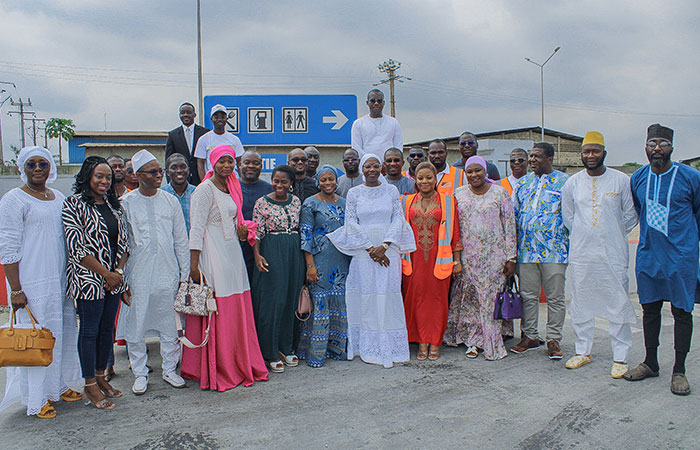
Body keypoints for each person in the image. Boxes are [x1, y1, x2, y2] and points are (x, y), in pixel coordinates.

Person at [0, 146, 81, 418]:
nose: (37, 169)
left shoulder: (58, 197)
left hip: (59, 279)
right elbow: (8, 247)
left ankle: (57, 387)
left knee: (59, 336)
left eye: (43, 164)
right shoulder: (14, 200)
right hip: (32, 282)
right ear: (23, 168)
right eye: (31, 164)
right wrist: (16, 289)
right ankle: (36, 400)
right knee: (34, 341)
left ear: (50, 168)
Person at [181, 145, 268, 391]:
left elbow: (234, 223)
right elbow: (196, 229)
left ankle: (240, 362)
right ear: (212, 163)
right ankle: (222, 367)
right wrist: (194, 266)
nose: (227, 166)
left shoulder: (232, 187)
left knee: (237, 305)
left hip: (232, 254)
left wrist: (242, 231)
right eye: (222, 162)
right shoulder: (204, 190)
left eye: (230, 162)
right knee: (218, 307)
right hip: (212, 253)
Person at [625, 124, 700, 396]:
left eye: (663, 143)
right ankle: (650, 362)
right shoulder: (639, 177)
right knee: (650, 310)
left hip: (680, 257)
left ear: (672, 147)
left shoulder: (690, 177)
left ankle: (679, 370)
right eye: (652, 143)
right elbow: (637, 208)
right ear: (645, 147)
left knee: (682, 311)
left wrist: (688, 244)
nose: (657, 148)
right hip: (649, 255)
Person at [327, 153, 416, 368]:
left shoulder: (391, 191)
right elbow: (351, 222)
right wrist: (369, 247)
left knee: (388, 293)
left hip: (389, 250)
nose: (372, 169)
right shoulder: (355, 193)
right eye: (368, 166)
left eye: (376, 165)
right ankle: (364, 346)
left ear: (381, 168)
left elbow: (398, 218)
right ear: (362, 169)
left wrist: (384, 245)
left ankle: (390, 346)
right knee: (365, 295)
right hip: (362, 251)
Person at [561, 132, 638, 378]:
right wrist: (589, 235)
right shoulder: (572, 183)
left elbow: (630, 215)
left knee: (617, 302)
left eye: (595, 151)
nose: (590, 156)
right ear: (581, 155)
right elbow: (568, 217)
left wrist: (609, 233)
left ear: (604, 153)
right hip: (582, 254)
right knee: (581, 301)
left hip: (613, 253)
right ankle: (583, 350)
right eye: (586, 152)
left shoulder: (621, 180)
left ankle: (621, 357)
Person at [116, 150, 190, 395]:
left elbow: (181, 240)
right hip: (137, 275)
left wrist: (184, 275)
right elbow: (121, 245)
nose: (160, 175)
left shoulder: (170, 201)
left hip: (168, 273)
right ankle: (139, 373)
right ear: (138, 176)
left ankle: (170, 369)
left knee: (171, 325)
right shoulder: (124, 204)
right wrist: (123, 278)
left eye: (160, 171)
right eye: (154, 171)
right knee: (135, 325)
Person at [62, 156, 130, 410]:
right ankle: (89, 383)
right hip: (89, 280)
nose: (104, 181)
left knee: (106, 331)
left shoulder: (114, 206)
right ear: (88, 177)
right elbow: (77, 248)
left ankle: (102, 376)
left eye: (108, 177)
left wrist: (118, 272)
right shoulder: (74, 205)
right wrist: (106, 274)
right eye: (99, 176)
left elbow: (125, 243)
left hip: (114, 279)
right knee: (89, 332)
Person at [444, 156, 516, 360]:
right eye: (470, 171)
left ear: (486, 172)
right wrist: (456, 257)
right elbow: (454, 227)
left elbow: (510, 226)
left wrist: (511, 258)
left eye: (478, 171)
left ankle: (492, 341)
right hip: (469, 257)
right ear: (465, 174)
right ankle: (473, 341)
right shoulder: (458, 194)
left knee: (490, 299)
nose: (474, 175)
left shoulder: (500, 193)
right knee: (471, 300)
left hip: (495, 257)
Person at [510, 142, 569, 359]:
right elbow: (514, 216)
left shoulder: (565, 182)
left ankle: (553, 339)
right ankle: (530, 336)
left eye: (537, 156)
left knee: (555, 297)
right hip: (526, 251)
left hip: (554, 250)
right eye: (531, 156)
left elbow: (571, 216)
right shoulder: (523, 183)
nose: (532, 160)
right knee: (528, 295)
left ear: (550, 159)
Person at [401, 162, 462, 361]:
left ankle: (435, 341)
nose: (425, 181)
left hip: (439, 260)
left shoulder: (448, 201)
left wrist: (457, 261)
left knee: (437, 303)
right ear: (415, 180)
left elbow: (456, 234)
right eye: (421, 178)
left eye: (429, 177)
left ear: (436, 179)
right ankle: (421, 341)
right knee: (415, 301)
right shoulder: (406, 201)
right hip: (414, 260)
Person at [251, 165, 305, 373]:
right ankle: (270, 351)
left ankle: (285, 347)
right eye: (276, 181)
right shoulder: (262, 203)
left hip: (293, 252)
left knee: (290, 300)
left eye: (284, 181)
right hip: (272, 251)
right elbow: (256, 233)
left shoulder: (296, 202)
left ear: (291, 183)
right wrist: (257, 256)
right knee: (273, 302)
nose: (279, 185)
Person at [297, 165, 351, 367]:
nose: (328, 183)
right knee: (320, 302)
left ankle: (337, 349)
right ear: (317, 181)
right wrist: (310, 265)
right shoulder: (310, 204)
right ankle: (316, 353)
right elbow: (306, 235)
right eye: (323, 180)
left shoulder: (345, 203)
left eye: (331, 179)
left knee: (340, 302)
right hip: (319, 260)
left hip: (342, 260)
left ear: (336, 181)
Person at [239, 151, 273, 281]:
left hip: (262, 246)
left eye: (256, 163)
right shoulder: (230, 188)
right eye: (247, 162)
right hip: (237, 245)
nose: (251, 166)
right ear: (239, 165)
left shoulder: (270, 190)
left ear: (261, 166)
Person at [194, 104, 244, 181]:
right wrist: (204, 182)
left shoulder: (234, 139)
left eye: (222, 117)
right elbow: (200, 164)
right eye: (216, 117)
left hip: (232, 181)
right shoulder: (203, 139)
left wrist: (241, 182)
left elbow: (240, 162)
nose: (219, 119)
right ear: (211, 119)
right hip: (212, 180)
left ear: (226, 119)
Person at [165, 102, 210, 186]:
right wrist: (170, 183)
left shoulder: (205, 133)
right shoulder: (173, 135)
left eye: (189, 112)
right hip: (181, 180)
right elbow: (168, 160)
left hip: (201, 179)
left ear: (194, 114)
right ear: (179, 115)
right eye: (183, 113)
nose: (185, 115)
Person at [351, 89, 402, 157]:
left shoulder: (393, 122)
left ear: (383, 103)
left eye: (379, 101)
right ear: (367, 103)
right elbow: (356, 148)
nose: (376, 103)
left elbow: (398, 146)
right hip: (367, 165)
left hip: (389, 164)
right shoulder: (358, 123)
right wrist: (371, 161)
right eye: (372, 101)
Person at [161, 153, 196, 234]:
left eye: (183, 167)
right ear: (167, 172)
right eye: (174, 167)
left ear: (188, 170)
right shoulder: (161, 194)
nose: (179, 171)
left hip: (193, 243)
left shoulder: (197, 192)